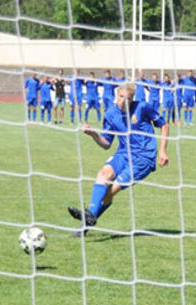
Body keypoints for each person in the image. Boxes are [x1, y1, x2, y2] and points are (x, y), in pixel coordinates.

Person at [67, 83, 170, 237]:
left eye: (127, 98)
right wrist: (93, 134)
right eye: (121, 97)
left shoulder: (143, 107)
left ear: (132, 99)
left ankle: (86, 223)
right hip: (123, 153)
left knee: (109, 192)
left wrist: (162, 151)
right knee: (103, 174)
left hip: (143, 158)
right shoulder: (110, 114)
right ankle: (89, 216)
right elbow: (106, 144)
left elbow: (164, 125)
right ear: (117, 95)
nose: (123, 101)